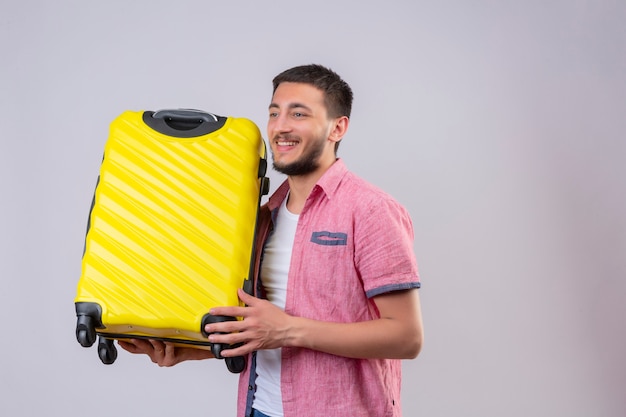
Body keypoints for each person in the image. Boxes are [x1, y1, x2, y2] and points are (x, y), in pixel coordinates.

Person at [119, 64, 424, 417]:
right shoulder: (261, 217)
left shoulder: (371, 210)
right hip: (259, 408)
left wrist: (289, 330)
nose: (280, 127)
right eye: (274, 113)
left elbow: (406, 336)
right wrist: (191, 348)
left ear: (337, 128)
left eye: (299, 113)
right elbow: (262, 329)